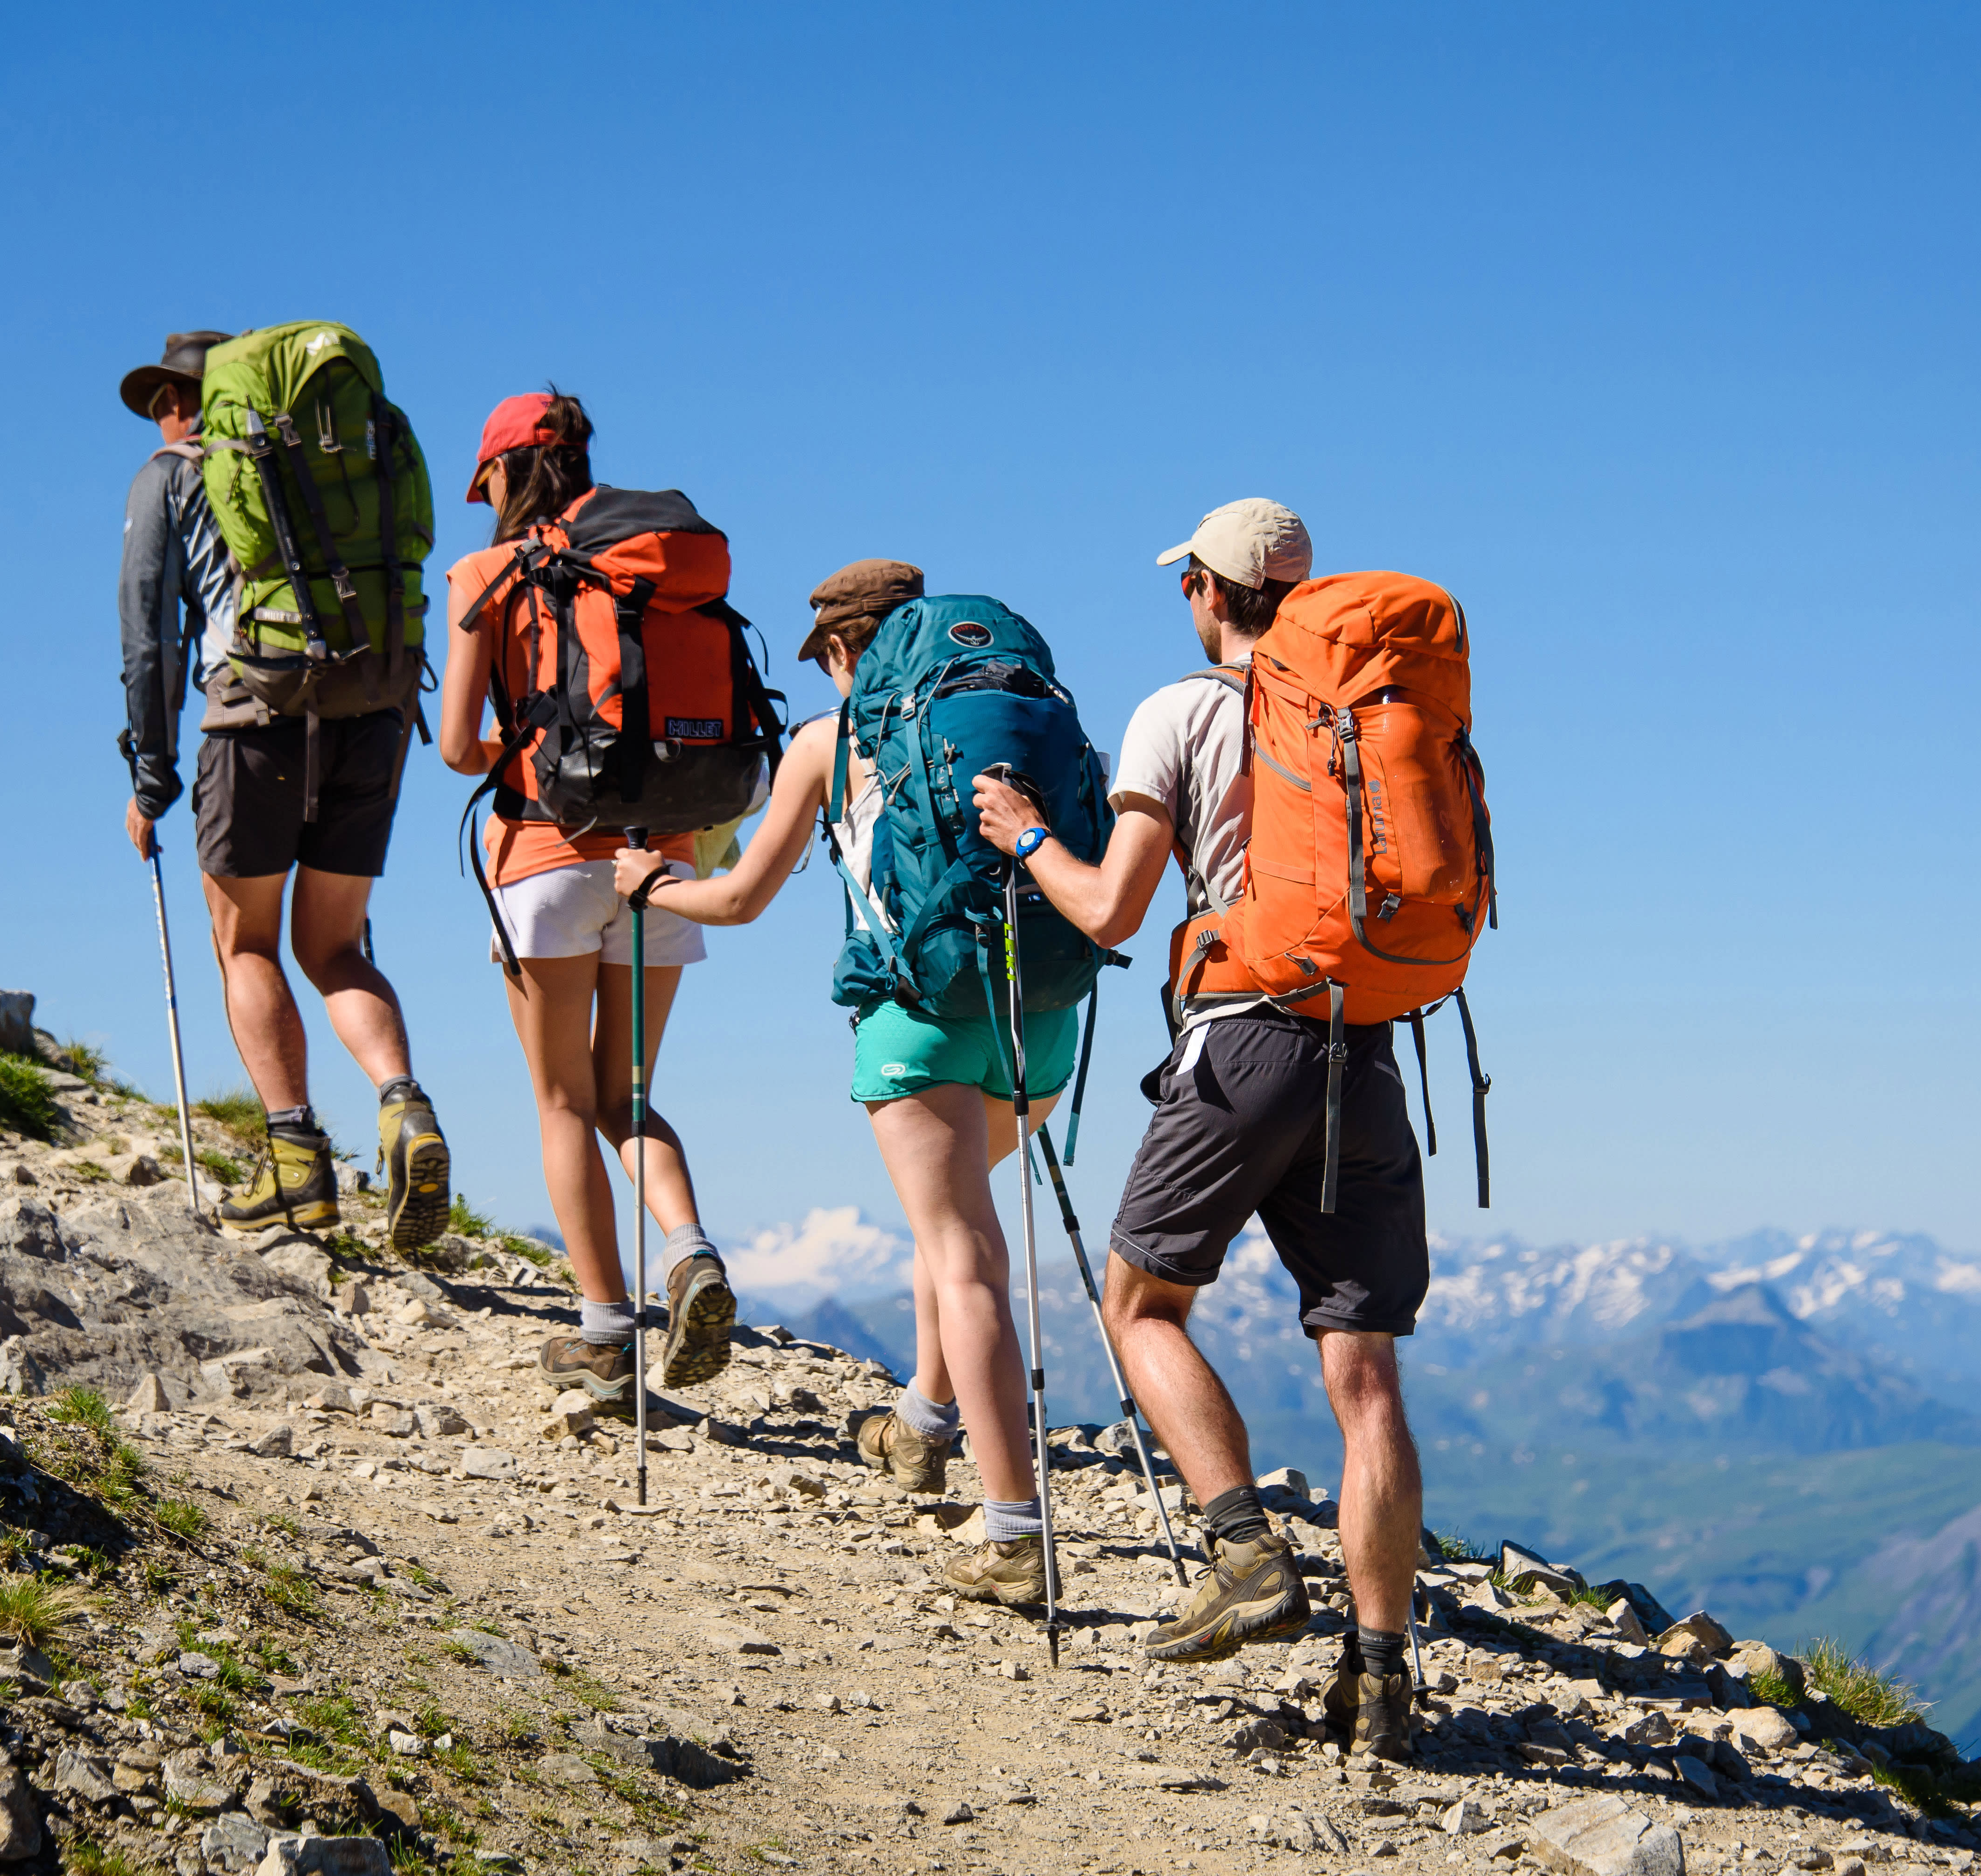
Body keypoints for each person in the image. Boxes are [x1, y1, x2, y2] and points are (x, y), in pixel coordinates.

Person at [969, 499, 1428, 1761]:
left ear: (1212, 593)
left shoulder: (1180, 711)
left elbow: (1113, 909)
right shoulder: (1363, 717)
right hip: (1366, 1045)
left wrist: (1023, 836)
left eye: (1190, 583)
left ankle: (1242, 1550)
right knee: (1366, 1375)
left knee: (1139, 1305)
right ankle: (1381, 1676)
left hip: (1244, 1041)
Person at [612, 560, 1073, 1608]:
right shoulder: (1009, 716)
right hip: (1042, 1014)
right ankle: (921, 1423)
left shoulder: (829, 743)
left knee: (963, 1253)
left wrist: (654, 885)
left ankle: (1014, 1533)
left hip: (920, 1023)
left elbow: (740, 898)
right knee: (951, 1224)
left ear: (837, 650)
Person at [116, 331, 452, 1246]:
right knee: (335, 946)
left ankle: (296, 1161)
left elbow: (150, 637)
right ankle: (404, 1106)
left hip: (252, 718)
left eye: (162, 402)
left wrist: (151, 777)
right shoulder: (320, 462)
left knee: (247, 944)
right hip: (372, 712)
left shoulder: (169, 477)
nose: (161, 419)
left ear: (184, 403)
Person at [438, 390, 737, 1401]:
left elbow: (458, 748)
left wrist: (526, 743)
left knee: (563, 1100)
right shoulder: (653, 562)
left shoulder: (487, 574)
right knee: (630, 1096)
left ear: (500, 472)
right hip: (664, 857)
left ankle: (605, 1336)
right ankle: (689, 1250)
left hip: (546, 856)